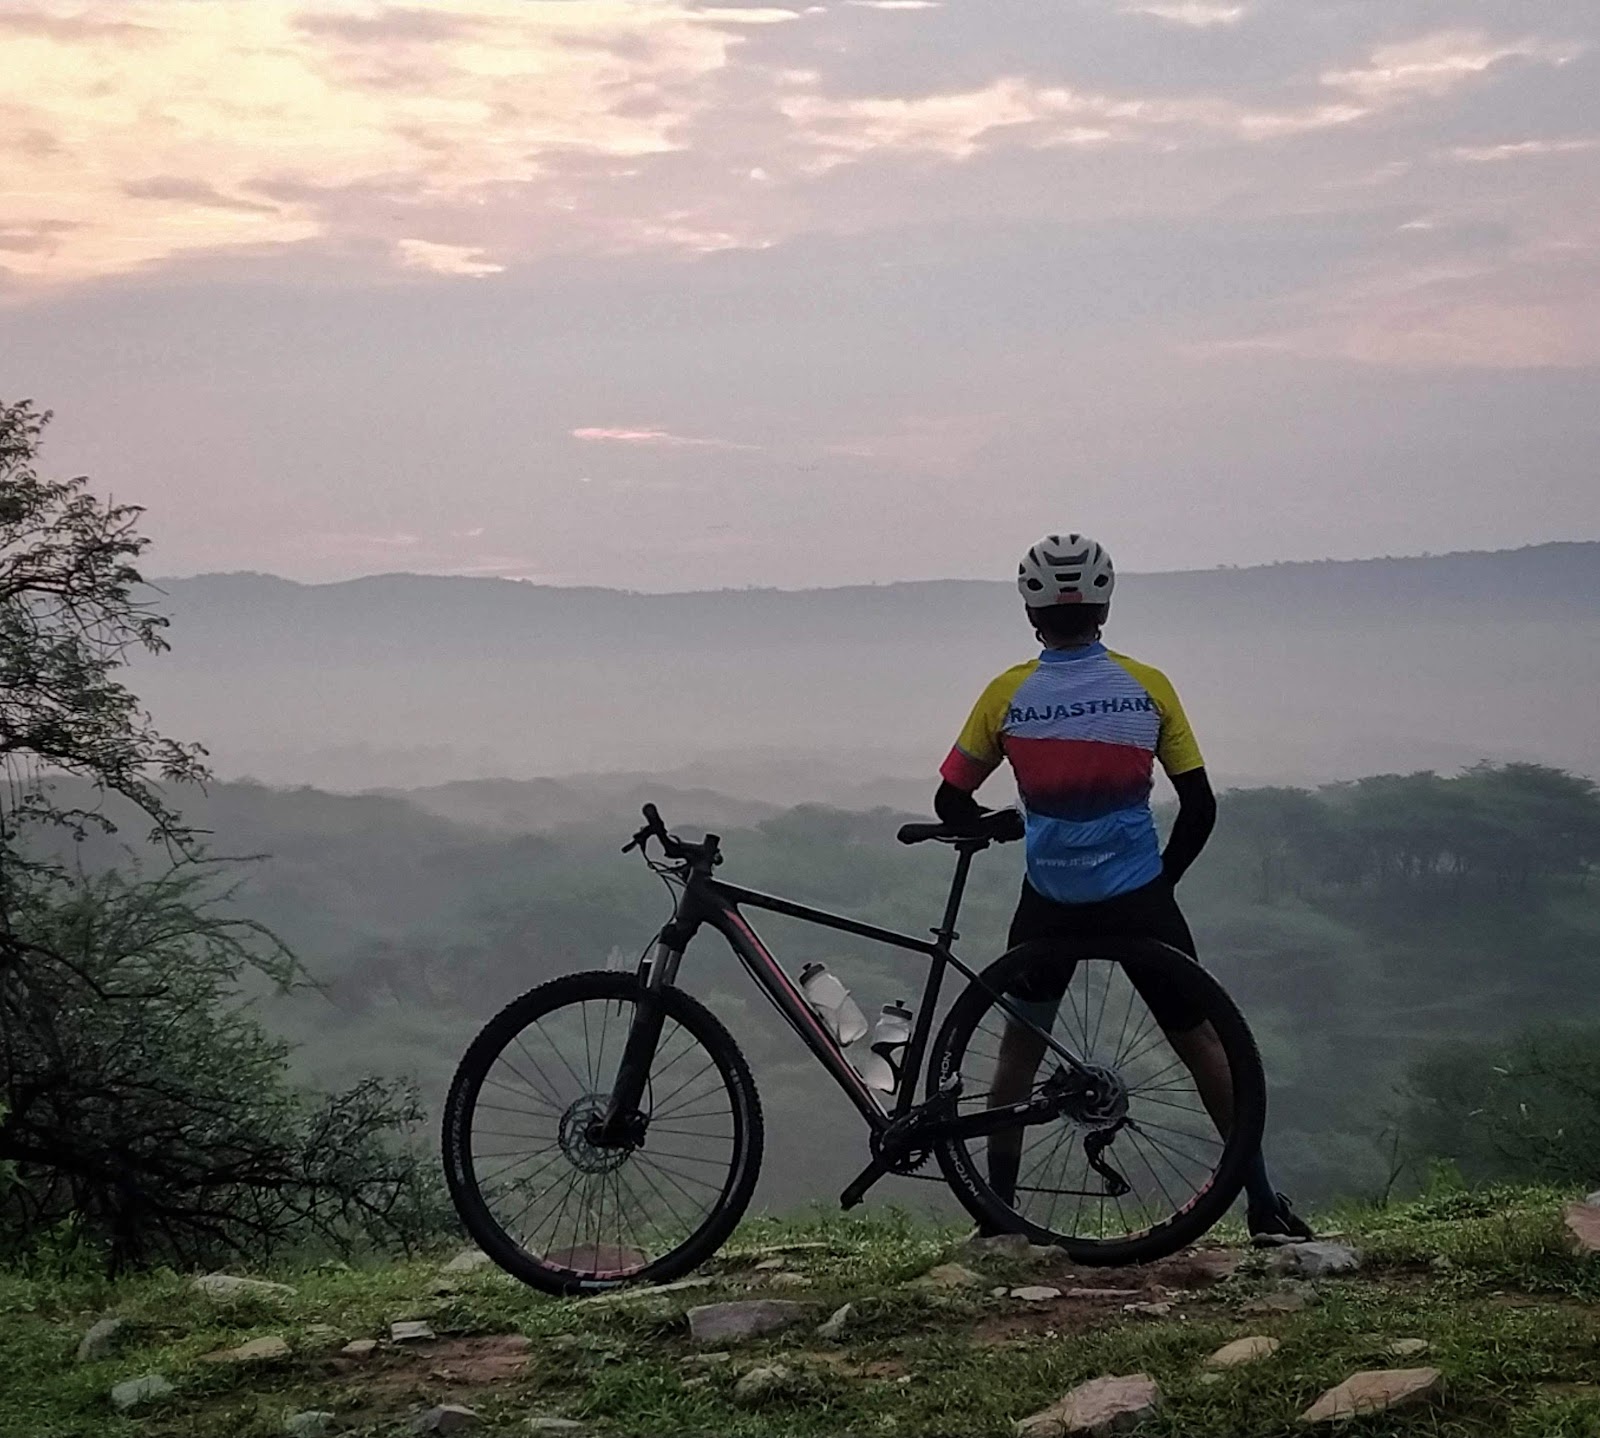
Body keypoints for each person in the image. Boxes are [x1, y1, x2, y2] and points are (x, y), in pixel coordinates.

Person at [934, 531, 1313, 1244]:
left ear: (1031, 613)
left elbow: (949, 801)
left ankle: (998, 1218)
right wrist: (1159, 884)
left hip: (1050, 898)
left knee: (1019, 1050)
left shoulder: (1006, 694)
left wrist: (999, 823)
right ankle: (1264, 1204)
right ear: (1104, 608)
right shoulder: (1148, 685)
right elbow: (1199, 807)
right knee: (1201, 1042)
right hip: (1138, 895)